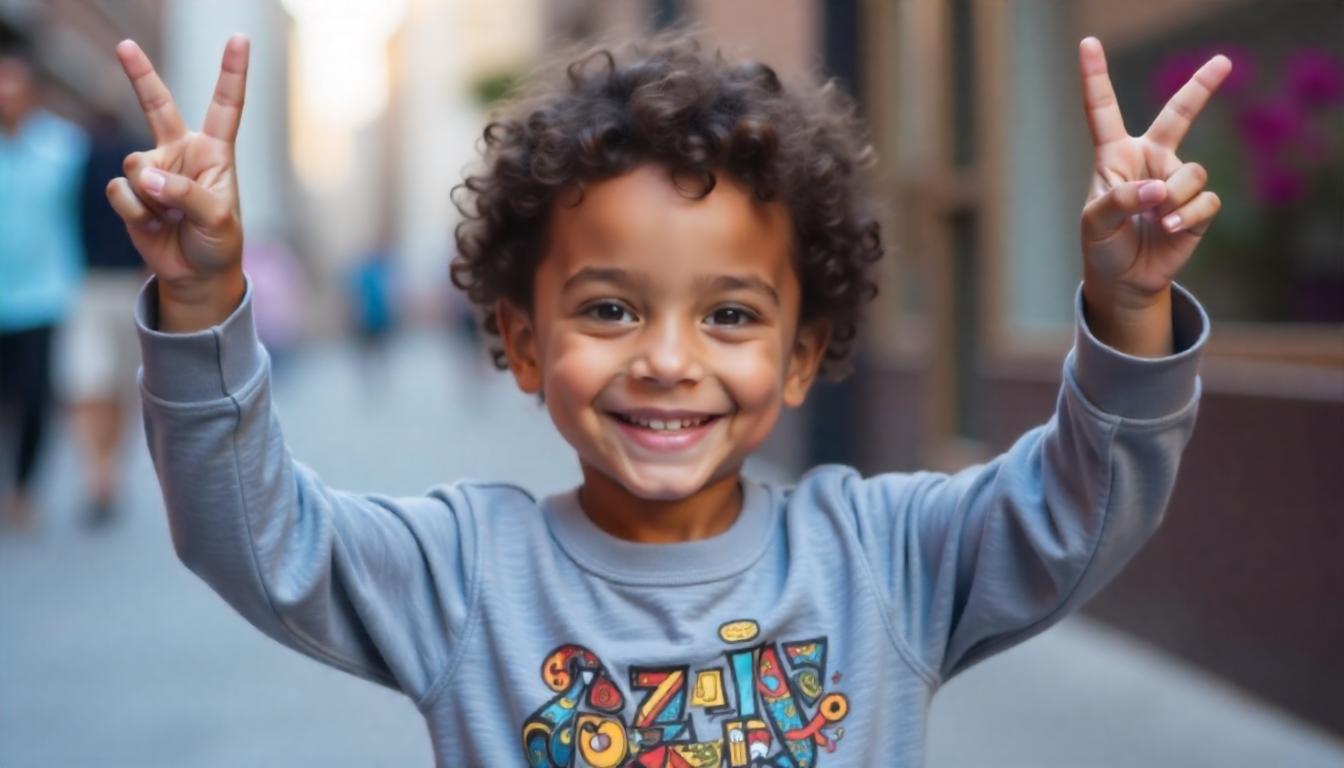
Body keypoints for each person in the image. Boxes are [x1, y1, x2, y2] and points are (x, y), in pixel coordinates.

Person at [109, 30, 1228, 766]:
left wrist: (1130, 310)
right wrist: (203, 296)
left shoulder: (886, 555)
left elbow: (1080, 507)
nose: (666, 359)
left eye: (731, 316)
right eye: (609, 310)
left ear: (802, 356)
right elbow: (250, 537)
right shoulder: (460, 570)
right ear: (522, 340)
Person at [0, 36, 89, 530]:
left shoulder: (64, 149)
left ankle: (24, 490)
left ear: (31, 93)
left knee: (34, 397)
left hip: (43, 295)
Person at [60, 113, 148, 527]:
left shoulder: (70, 160)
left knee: (97, 386)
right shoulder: (140, 163)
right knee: (100, 385)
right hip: (106, 287)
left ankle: (103, 473)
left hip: (93, 285)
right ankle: (102, 474)